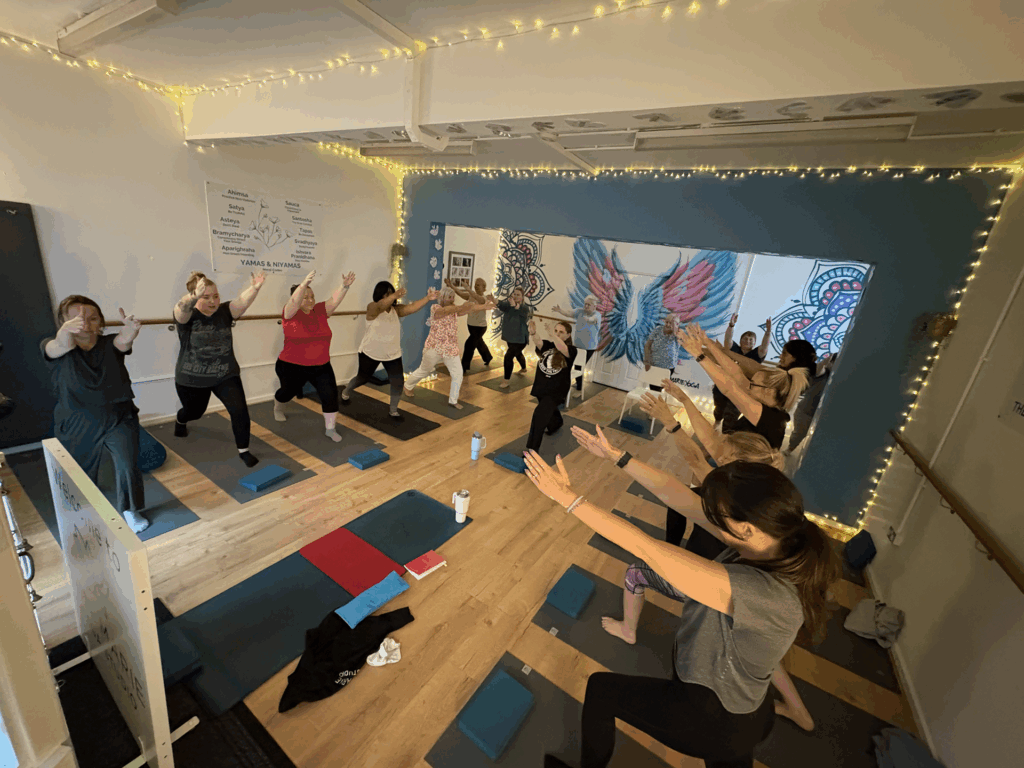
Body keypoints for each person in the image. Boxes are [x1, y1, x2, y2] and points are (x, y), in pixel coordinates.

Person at [524, 450, 839, 768]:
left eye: (720, 518)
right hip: (749, 710)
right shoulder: (774, 542)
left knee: (601, 691)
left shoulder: (761, 591)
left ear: (745, 527)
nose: (712, 522)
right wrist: (618, 457)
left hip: (713, 717)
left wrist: (567, 498)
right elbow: (678, 496)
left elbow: (645, 547)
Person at [42, 296, 150, 532]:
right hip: (76, 420)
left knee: (127, 463)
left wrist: (131, 330)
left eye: (92, 319)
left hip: (118, 416)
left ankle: (130, 509)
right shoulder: (53, 346)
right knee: (79, 471)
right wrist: (65, 332)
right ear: (63, 322)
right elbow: (61, 345)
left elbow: (123, 341)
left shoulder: (110, 344)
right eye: (76, 319)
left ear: (101, 322)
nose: (85, 324)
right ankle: (81, 510)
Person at [173, 270, 265, 467]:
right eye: (206, 297)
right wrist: (192, 297)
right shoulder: (188, 315)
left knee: (239, 410)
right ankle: (181, 420)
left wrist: (255, 287)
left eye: (216, 296)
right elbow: (180, 310)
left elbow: (242, 300)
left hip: (225, 374)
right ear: (195, 297)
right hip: (191, 378)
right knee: (194, 413)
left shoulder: (225, 311)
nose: (213, 301)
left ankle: (244, 450)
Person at [679, 325, 809, 450]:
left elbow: (729, 388)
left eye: (752, 384)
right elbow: (737, 373)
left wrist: (699, 355)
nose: (748, 387)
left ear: (768, 390)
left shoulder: (768, 417)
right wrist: (707, 343)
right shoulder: (769, 406)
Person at [273, 269, 356, 442]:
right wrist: (303, 285)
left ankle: (330, 429)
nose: (311, 300)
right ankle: (278, 407)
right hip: (291, 365)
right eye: (306, 296)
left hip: (321, 365)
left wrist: (344, 286)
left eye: (312, 296)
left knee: (330, 395)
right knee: (287, 393)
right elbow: (293, 302)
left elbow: (334, 301)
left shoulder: (319, 310)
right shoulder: (290, 313)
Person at [341, 281, 438, 420]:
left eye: (392, 293)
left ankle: (393, 410)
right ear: (380, 295)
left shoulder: (395, 310)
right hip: (370, 352)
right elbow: (381, 305)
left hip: (392, 354)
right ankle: (346, 391)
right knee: (362, 378)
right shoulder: (372, 307)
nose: (391, 296)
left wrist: (427, 298)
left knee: (398, 382)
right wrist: (394, 296)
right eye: (387, 294)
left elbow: (411, 307)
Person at [403, 286, 496, 408]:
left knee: (458, 373)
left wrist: (484, 307)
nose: (452, 299)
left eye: (453, 297)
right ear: (442, 298)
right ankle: (408, 386)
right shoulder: (435, 308)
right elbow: (448, 311)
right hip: (434, 347)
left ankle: (453, 400)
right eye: (449, 297)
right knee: (424, 370)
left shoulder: (454, 310)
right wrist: (464, 306)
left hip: (450, 349)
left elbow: (468, 309)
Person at [526, 319, 577, 452]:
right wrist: (533, 333)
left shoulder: (571, 350)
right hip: (541, 386)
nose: (558, 334)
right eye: (556, 331)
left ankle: (532, 451)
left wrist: (552, 335)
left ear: (568, 335)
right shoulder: (548, 345)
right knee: (548, 410)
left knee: (539, 415)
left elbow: (562, 348)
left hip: (556, 390)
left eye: (561, 332)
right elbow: (538, 342)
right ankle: (556, 424)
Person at [714, 314, 771, 424]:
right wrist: (731, 325)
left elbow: (764, 346)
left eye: (751, 340)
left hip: (742, 390)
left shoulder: (756, 355)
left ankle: (727, 433)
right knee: (719, 406)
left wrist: (768, 332)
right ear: (740, 341)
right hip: (723, 383)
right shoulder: (734, 348)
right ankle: (717, 422)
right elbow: (728, 339)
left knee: (733, 412)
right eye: (745, 339)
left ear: (754, 343)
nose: (748, 341)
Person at [551, 295, 602, 397]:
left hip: (589, 347)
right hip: (577, 345)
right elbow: (569, 313)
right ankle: (575, 383)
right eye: (585, 304)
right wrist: (560, 310)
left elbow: (593, 319)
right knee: (574, 365)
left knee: (579, 366)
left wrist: (587, 319)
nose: (586, 306)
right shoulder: (579, 311)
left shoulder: (597, 315)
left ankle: (579, 389)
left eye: (589, 304)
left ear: (594, 306)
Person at [787, 353, 838, 452]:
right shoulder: (822, 373)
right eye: (834, 363)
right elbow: (819, 368)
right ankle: (790, 448)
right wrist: (825, 361)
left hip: (820, 414)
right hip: (806, 411)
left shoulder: (836, 377)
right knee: (799, 434)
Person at [446, 277, 495, 373]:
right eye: (475, 285)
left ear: (484, 287)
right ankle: (488, 357)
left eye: (478, 285)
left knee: (469, 345)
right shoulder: (470, 296)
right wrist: (451, 285)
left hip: (480, 327)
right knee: (479, 343)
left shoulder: (483, 298)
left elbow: (477, 297)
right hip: (471, 326)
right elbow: (460, 293)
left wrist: (468, 288)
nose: (476, 286)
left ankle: (464, 367)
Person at [495, 287, 532, 388]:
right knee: (517, 353)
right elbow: (501, 304)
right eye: (514, 294)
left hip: (521, 339)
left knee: (508, 356)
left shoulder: (524, 307)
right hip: (511, 337)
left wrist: (514, 305)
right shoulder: (508, 305)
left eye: (518, 295)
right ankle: (524, 368)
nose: (515, 296)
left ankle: (505, 381)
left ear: (522, 297)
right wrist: (493, 299)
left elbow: (518, 308)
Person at [642, 314, 680, 392]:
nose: (668, 325)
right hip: (654, 364)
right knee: (653, 386)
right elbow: (647, 345)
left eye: (671, 323)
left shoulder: (677, 334)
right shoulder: (658, 330)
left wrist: (675, 328)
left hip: (668, 367)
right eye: (667, 322)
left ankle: (655, 402)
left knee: (660, 387)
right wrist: (647, 361)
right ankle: (652, 403)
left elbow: (682, 341)